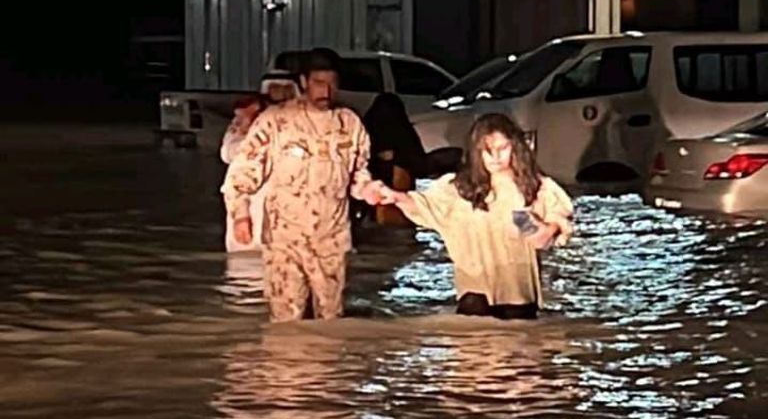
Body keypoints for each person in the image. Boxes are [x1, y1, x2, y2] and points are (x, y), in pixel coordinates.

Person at [223, 47, 382, 322]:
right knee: (287, 323)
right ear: (304, 82)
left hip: (331, 242)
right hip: (286, 241)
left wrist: (369, 190)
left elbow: (358, 173)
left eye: (332, 83)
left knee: (330, 321)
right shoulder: (276, 121)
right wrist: (241, 215)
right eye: (319, 82)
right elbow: (242, 173)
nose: (326, 91)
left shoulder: (349, 124)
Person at [375, 113, 573, 319]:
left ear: (515, 147)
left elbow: (555, 225)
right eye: (487, 150)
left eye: (503, 148)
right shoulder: (458, 189)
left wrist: (545, 230)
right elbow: (423, 205)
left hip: (519, 296)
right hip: (475, 294)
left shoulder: (536, 188)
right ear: (476, 153)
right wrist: (394, 196)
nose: (495, 157)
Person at [362, 92, 428, 227]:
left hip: (375, 205)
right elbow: (419, 163)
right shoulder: (405, 136)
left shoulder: (369, 135)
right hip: (402, 207)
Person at [220, 96, 268, 253]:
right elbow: (228, 154)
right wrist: (241, 215)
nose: (237, 122)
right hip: (248, 219)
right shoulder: (241, 141)